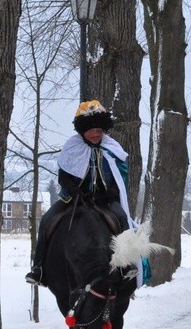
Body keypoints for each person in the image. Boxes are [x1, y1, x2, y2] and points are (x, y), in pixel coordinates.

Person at [25, 100, 133, 286]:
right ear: (82, 130)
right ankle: (39, 268)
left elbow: (120, 179)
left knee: (122, 218)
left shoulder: (113, 148)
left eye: (99, 130)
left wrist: (108, 193)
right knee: (47, 220)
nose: (95, 134)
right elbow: (63, 176)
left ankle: (127, 264)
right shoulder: (71, 148)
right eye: (91, 130)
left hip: (104, 200)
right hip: (73, 198)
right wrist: (75, 190)